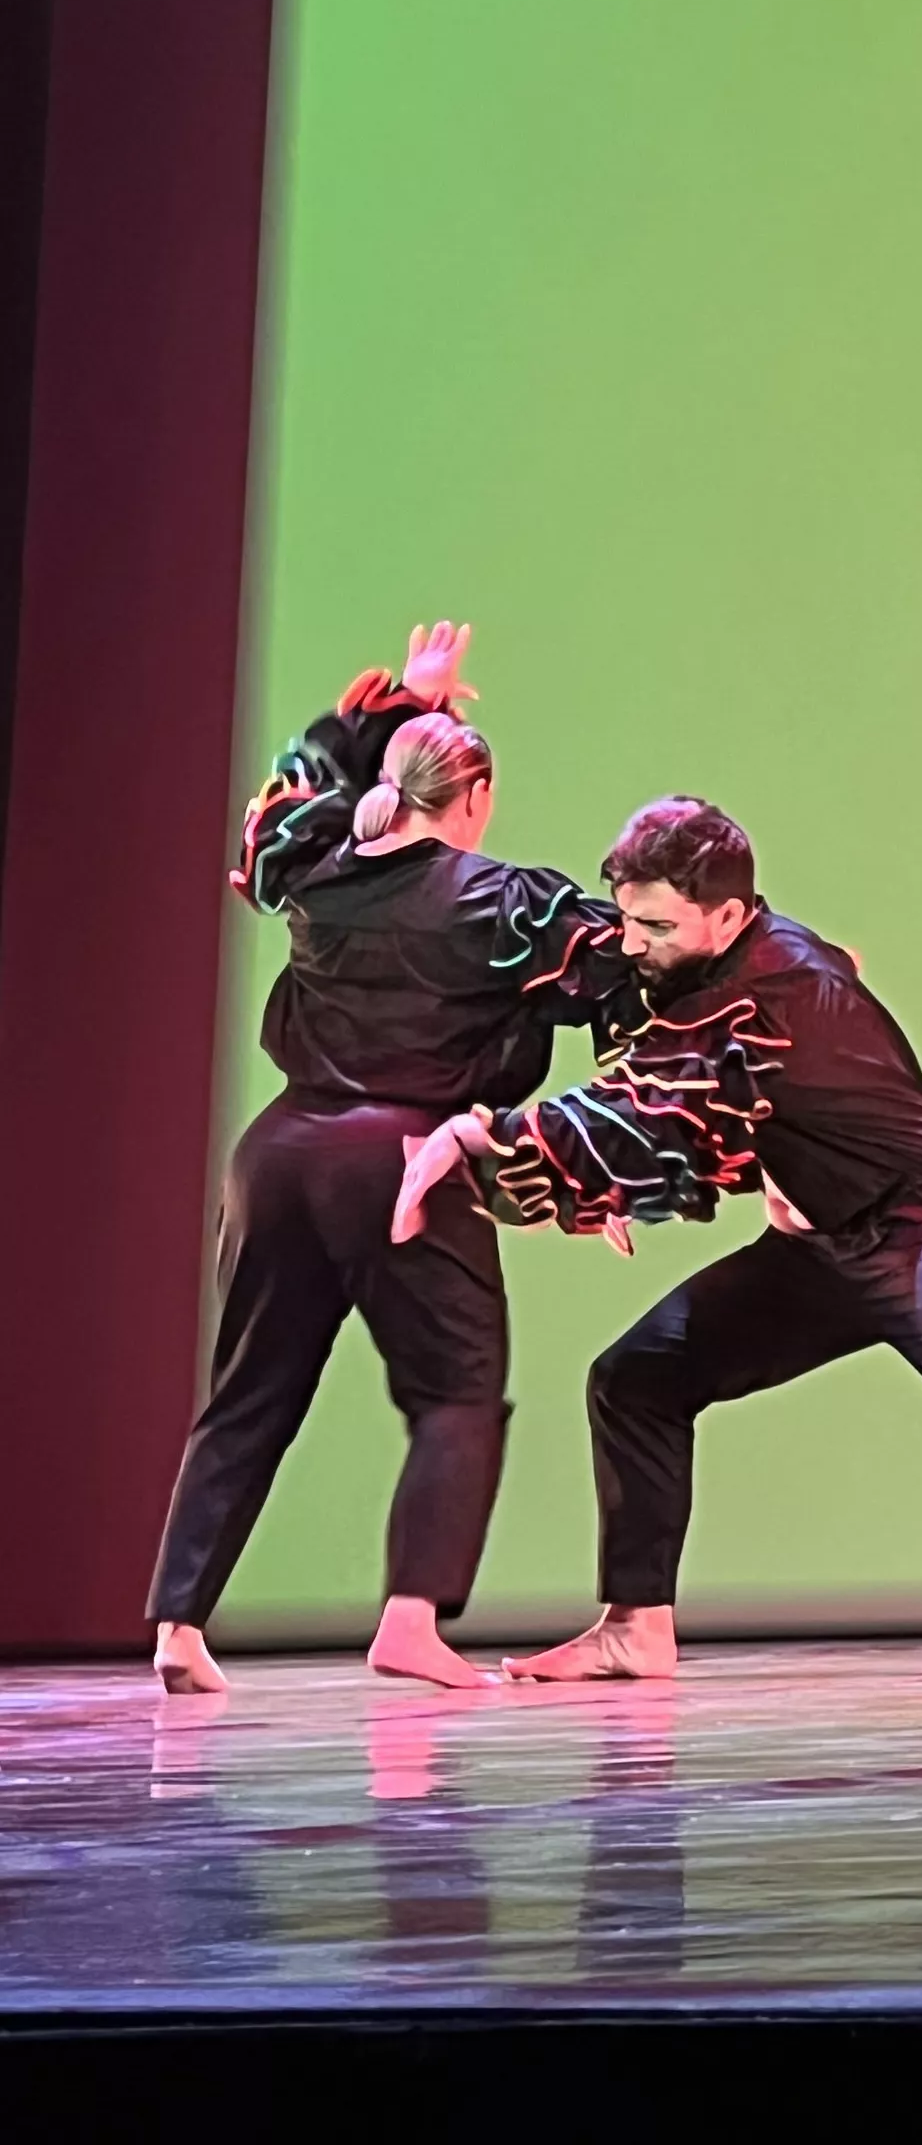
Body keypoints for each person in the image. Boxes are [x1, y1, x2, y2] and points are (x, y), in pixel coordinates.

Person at [393, 796, 922, 1676]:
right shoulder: (699, 970)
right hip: (817, 1247)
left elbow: (655, 1100)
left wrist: (489, 1137)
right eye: (631, 920)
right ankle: (636, 1626)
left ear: (730, 916)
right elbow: (706, 1105)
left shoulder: (776, 990)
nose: (634, 943)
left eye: (656, 926)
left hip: (919, 1224)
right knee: (636, 1379)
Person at [149, 622, 634, 1693]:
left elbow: (293, 785)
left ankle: (178, 1623)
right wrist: (604, 1159)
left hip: (278, 1155)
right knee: (457, 1392)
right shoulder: (503, 901)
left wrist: (391, 708)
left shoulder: (319, 867)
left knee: (246, 1395)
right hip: (402, 1158)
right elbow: (626, 971)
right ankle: (411, 1621)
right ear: (474, 800)